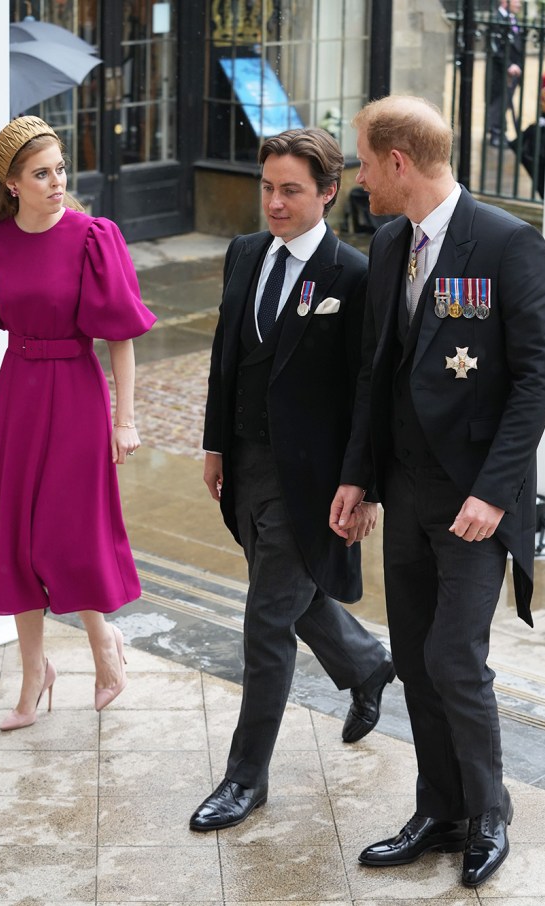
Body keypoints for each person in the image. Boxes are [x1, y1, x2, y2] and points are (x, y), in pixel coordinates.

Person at [329, 96, 545, 888]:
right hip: (407, 493)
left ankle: (490, 812)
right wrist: (358, 476)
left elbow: (535, 380)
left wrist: (496, 494)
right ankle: (441, 809)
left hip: (473, 503)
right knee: (417, 661)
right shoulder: (391, 241)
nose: (358, 180)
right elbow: (376, 373)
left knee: (457, 659)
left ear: (398, 162)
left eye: (363, 162)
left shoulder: (507, 244)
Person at [191, 127, 395, 832]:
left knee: (267, 620)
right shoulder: (244, 253)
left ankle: (246, 779)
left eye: (291, 191)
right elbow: (226, 356)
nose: (274, 203)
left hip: (311, 480)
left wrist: (365, 485)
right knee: (292, 596)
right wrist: (216, 442)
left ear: (329, 194)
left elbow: (370, 389)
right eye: (267, 188)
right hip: (246, 464)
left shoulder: (353, 275)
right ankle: (367, 664)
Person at [0, 116, 156, 730]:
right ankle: (34, 674)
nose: (58, 181)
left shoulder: (94, 237)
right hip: (17, 393)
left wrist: (126, 419)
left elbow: (120, 337)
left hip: (77, 395)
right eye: (42, 174)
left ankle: (102, 646)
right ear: (12, 183)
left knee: (67, 533)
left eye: (61, 169)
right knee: (14, 535)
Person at [487, 0, 523, 148]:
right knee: (499, 101)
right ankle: (495, 133)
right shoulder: (497, 19)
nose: (519, 4)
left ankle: (502, 131)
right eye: (516, 0)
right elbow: (495, 47)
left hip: (514, 71)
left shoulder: (513, 19)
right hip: (501, 70)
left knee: (506, 101)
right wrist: (509, 65)